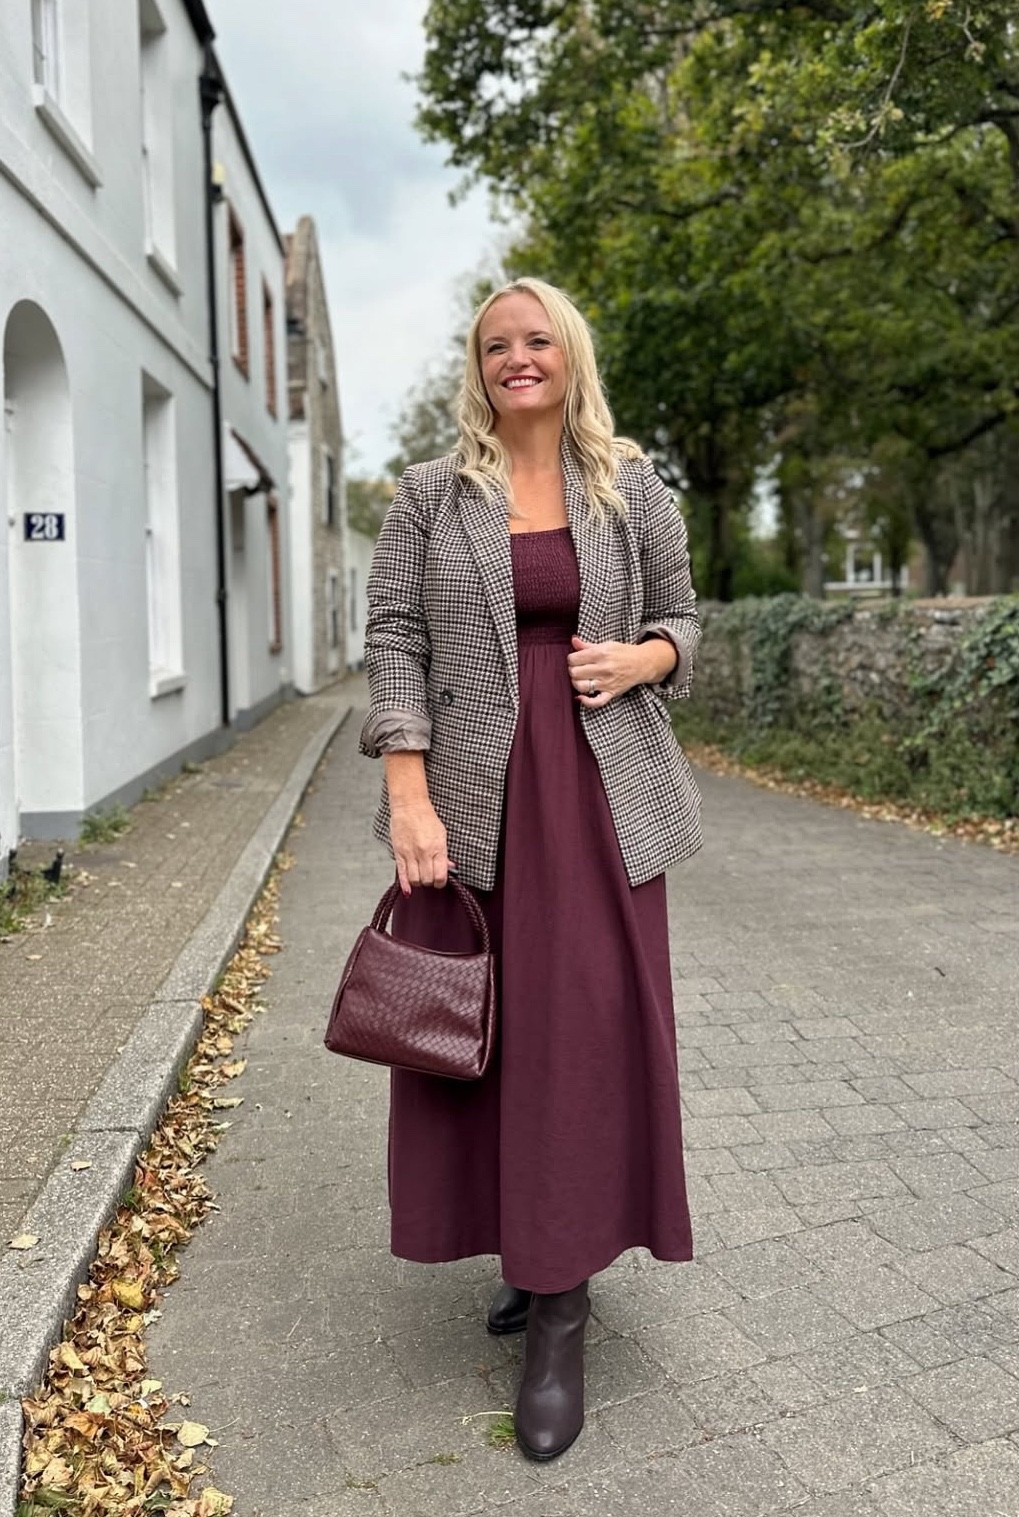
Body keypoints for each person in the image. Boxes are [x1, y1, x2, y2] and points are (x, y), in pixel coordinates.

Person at [359, 276, 702, 1461]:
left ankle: (561, 1306)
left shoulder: (630, 481)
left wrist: (644, 653)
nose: (517, 356)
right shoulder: (426, 496)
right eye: (495, 343)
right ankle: (520, 1247)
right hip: (472, 799)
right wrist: (406, 789)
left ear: (568, 354)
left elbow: (689, 620)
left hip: (604, 803)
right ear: (478, 366)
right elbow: (394, 635)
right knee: (486, 1039)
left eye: (535, 338)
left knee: (583, 1038)